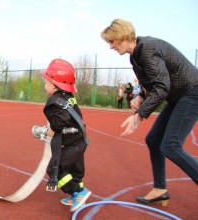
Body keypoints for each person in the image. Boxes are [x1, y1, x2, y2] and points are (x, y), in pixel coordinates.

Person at [101, 18, 198, 206]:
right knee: (153, 140)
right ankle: (160, 189)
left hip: (192, 93)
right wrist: (140, 98)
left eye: (112, 41)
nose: (110, 46)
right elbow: (150, 85)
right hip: (177, 96)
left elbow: (162, 87)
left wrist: (139, 114)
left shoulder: (148, 49)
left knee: (170, 146)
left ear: (123, 36)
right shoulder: (135, 56)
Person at [41, 58, 91, 212]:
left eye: (47, 82)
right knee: (76, 170)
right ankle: (76, 193)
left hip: (74, 143)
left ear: (55, 85)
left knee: (54, 169)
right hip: (79, 141)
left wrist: (50, 130)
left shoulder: (57, 101)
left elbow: (61, 120)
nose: (45, 85)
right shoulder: (67, 97)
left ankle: (78, 192)